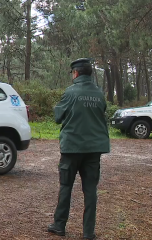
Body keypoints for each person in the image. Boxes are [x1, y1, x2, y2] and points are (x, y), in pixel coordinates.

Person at [47, 58, 110, 240]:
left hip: (72, 148)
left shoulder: (70, 92)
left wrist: (57, 107)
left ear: (75, 73)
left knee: (66, 186)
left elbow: (58, 117)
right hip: (93, 149)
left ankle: (59, 226)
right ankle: (88, 232)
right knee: (90, 189)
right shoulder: (99, 93)